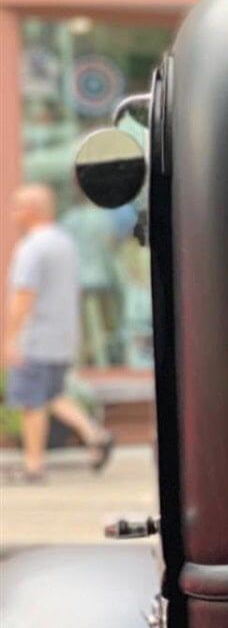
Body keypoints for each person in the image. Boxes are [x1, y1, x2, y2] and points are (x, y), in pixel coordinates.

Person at [5, 184, 113, 484]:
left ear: (31, 210)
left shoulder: (32, 247)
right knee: (53, 393)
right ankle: (96, 435)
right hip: (63, 335)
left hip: (37, 337)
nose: (12, 213)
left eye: (16, 206)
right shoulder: (65, 243)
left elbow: (25, 294)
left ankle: (34, 466)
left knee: (32, 402)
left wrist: (10, 337)